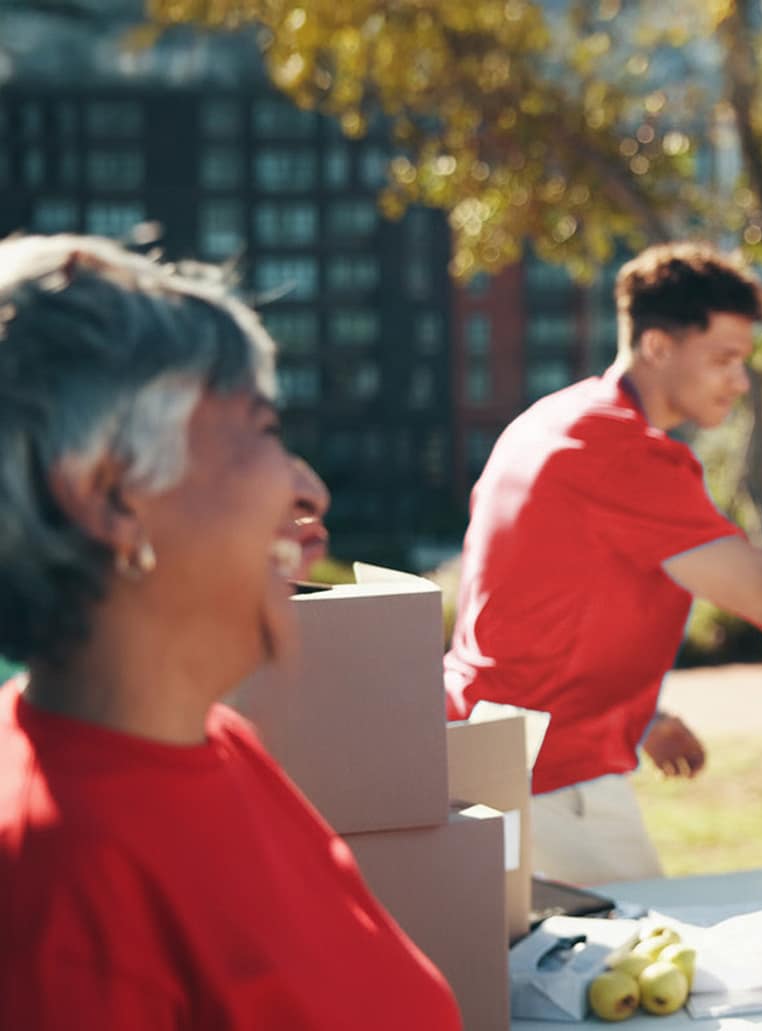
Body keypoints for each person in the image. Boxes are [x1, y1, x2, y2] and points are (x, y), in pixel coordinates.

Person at [0, 235, 459, 1028]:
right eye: (264, 429)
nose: (308, 491)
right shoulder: (60, 894)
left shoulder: (218, 743)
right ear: (108, 494)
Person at [445, 242, 762, 886]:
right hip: (547, 778)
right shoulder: (619, 451)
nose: (740, 381)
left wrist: (640, 719)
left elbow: (546, 603)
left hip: (487, 751)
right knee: (649, 943)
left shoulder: (555, 418)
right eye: (724, 359)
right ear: (657, 346)